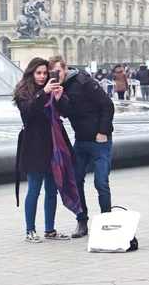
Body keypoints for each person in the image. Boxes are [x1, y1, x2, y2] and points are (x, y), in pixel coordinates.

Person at [48, 55, 115, 239]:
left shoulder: (83, 81)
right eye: (51, 73)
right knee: (76, 181)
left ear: (65, 68)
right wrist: (59, 99)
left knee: (101, 182)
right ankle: (82, 220)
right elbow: (65, 114)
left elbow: (107, 105)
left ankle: (106, 220)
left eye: (58, 72)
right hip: (80, 140)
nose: (55, 76)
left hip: (100, 139)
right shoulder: (56, 88)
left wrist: (102, 131)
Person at [14, 57, 77, 243]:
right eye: (39, 73)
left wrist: (59, 98)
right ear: (31, 73)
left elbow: (66, 112)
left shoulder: (52, 89)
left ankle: (50, 229)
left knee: (52, 189)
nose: (42, 77)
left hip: (54, 144)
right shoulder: (23, 92)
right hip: (34, 145)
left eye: (45, 73)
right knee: (34, 189)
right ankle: (30, 230)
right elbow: (29, 112)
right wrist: (44, 93)